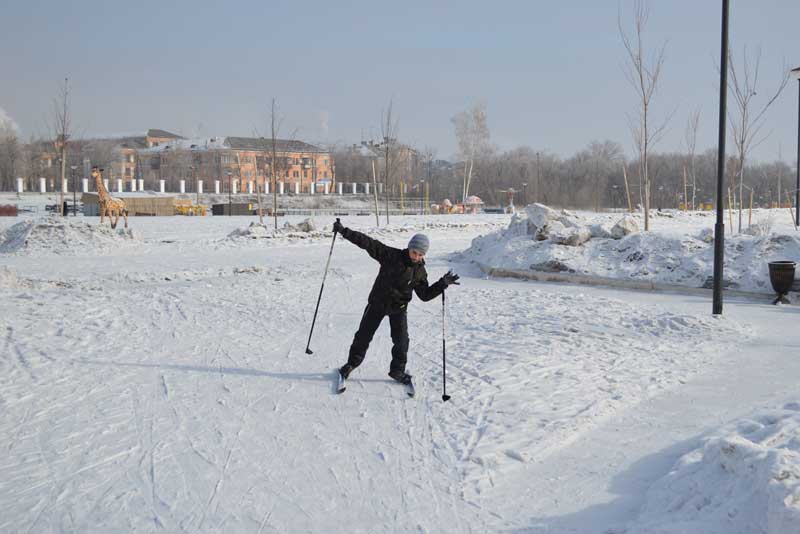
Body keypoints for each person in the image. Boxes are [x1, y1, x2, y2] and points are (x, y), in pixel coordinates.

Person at [332, 220, 460, 385]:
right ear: (409, 248)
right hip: (377, 304)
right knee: (363, 336)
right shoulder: (390, 256)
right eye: (415, 252)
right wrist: (344, 231)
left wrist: (442, 284)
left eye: (421, 255)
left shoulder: (420, 272)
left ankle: (397, 371)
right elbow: (367, 243)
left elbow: (425, 295)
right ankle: (350, 365)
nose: (417, 257)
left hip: (398, 308)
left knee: (402, 342)